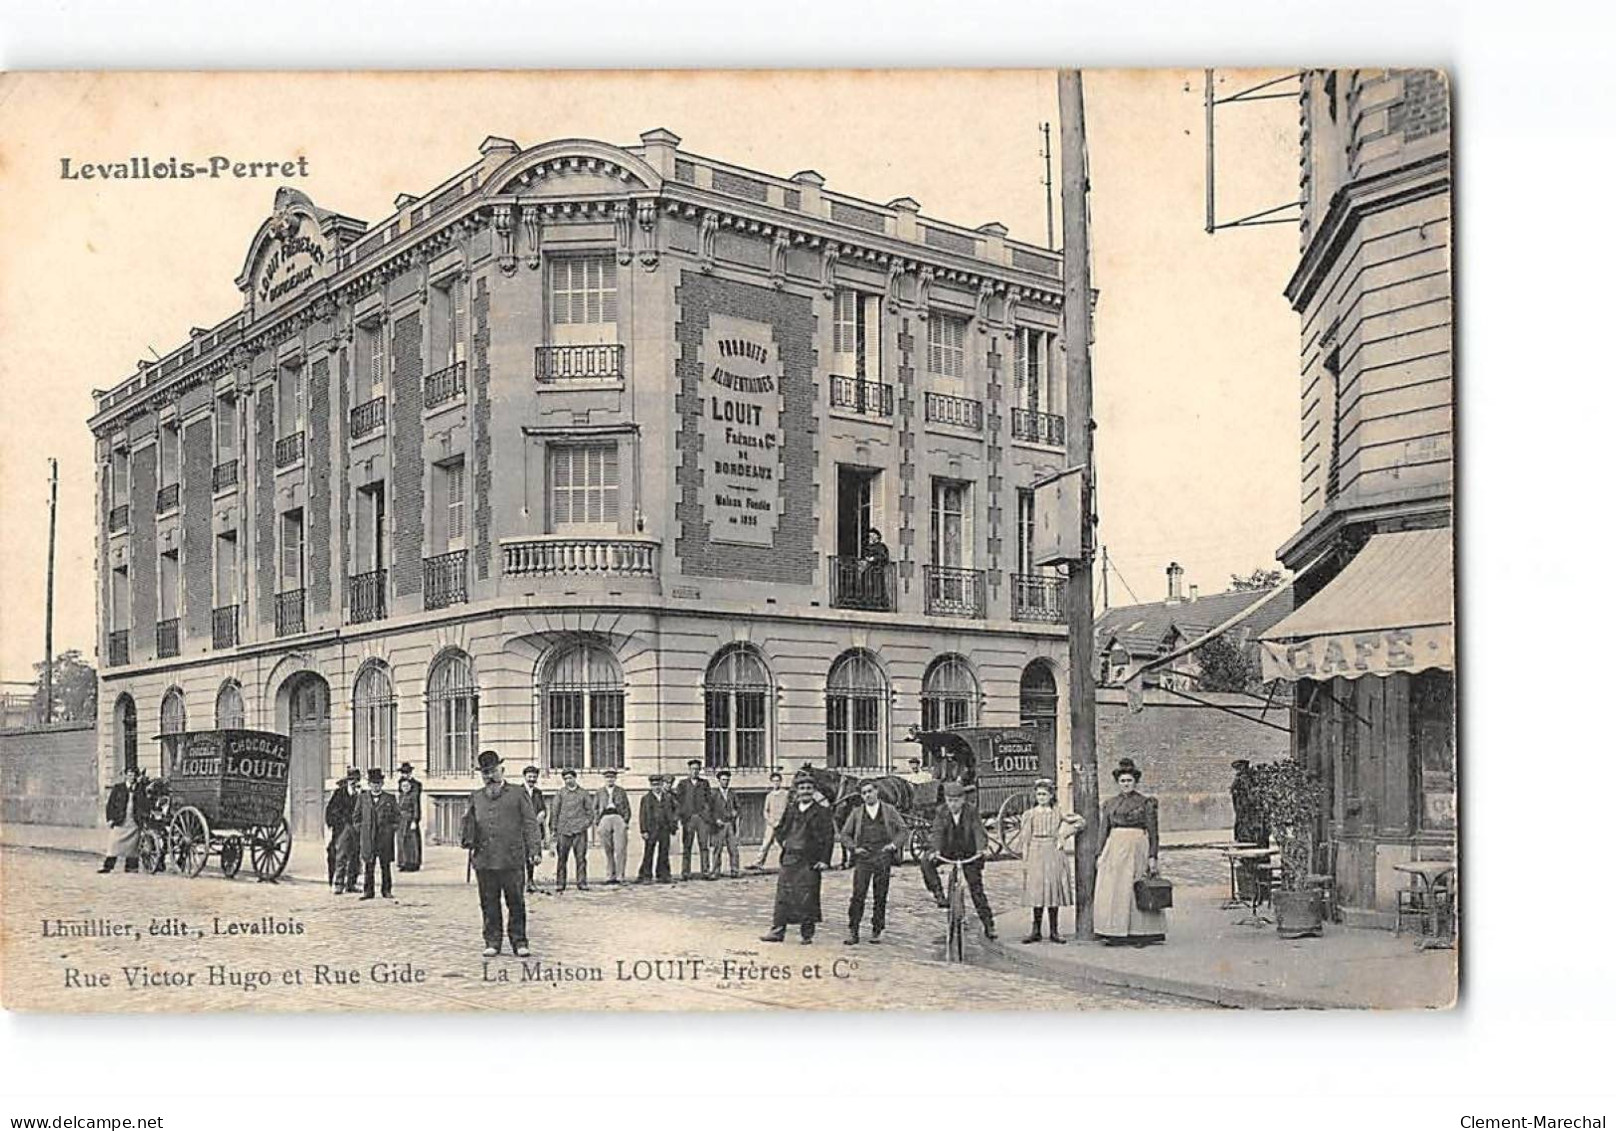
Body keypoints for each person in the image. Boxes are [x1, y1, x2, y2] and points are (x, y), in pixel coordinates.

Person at [461, 750, 540, 958]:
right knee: (488, 902)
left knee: (515, 901)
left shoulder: (518, 793)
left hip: (511, 858)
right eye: (485, 773)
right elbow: (468, 824)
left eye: (493, 771)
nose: (489, 776)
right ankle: (492, 941)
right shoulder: (476, 797)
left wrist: (534, 850)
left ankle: (519, 941)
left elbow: (530, 823)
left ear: (502, 770)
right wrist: (467, 836)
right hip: (484, 859)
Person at [1093, 757, 1166, 946]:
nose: (1126, 784)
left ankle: (1141, 933)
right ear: (1118, 783)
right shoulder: (1110, 804)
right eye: (1122, 781)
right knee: (1115, 889)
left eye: (1129, 781)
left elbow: (1153, 832)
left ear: (1135, 782)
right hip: (1114, 848)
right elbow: (1103, 830)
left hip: (1136, 847)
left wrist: (1152, 857)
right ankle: (1115, 931)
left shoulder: (1145, 803)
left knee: (1135, 887)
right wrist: (1100, 853)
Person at [760, 775, 835, 944]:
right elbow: (780, 829)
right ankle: (778, 931)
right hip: (790, 858)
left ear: (813, 791)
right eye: (802, 788)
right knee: (783, 895)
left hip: (810, 860)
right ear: (797, 791)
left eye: (809, 788)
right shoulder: (792, 809)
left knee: (807, 896)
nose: (805, 792)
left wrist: (824, 860)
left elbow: (829, 837)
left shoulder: (822, 812)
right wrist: (784, 844)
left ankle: (806, 934)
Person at [919, 781, 997, 940]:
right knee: (925, 861)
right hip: (949, 850)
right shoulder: (942, 812)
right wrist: (936, 850)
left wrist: (981, 849)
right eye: (949, 800)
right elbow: (937, 831)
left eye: (956, 800)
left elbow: (978, 831)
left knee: (976, 888)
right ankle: (939, 894)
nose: (952, 804)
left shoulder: (971, 811)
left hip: (969, 852)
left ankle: (989, 924)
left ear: (963, 799)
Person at [837, 778, 906, 945]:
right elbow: (844, 834)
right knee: (858, 894)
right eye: (864, 793)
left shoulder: (889, 810)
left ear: (877, 791)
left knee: (880, 894)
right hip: (864, 857)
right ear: (861, 796)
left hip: (882, 856)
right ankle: (853, 930)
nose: (867, 795)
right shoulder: (857, 813)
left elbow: (903, 830)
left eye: (870, 791)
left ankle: (877, 930)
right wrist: (854, 848)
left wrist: (893, 845)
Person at [1018, 778, 1085, 944]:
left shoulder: (1058, 812)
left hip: (1053, 851)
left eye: (1044, 794)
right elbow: (1025, 839)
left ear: (1051, 795)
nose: (1041, 797)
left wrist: (1064, 835)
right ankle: (1036, 930)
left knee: (1053, 889)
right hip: (1035, 850)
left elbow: (1080, 822)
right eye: (1039, 794)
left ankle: (1055, 931)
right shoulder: (1029, 814)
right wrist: (1025, 860)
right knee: (1038, 890)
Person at [354, 768, 400, 900]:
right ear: (369, 784)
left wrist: (391, 829)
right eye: (373, 783)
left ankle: (386, 891)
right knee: (369, 865)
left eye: (378, 783)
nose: (376, 786)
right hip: (368, 837)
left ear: (382, 784)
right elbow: (356, 817)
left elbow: (397, 817)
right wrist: (362, 830)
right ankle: (368, 891)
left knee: (385, 866)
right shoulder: (362, 798)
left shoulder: (389, 798)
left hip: (384, 838)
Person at [551, 767, 596, 892]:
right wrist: (554, 829)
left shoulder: (583, 793)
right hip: (563, 830)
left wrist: (584, 825)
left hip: (579, 831)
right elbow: (555, 811)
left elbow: (591, 813)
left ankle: (582, 882)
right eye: (565, 778)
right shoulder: (560, 793)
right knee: (562, 858)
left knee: (581, 858)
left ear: (575, 778)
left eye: (570, 778)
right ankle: (560, 883)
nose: (568, 780)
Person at [98, 766, 145, 874]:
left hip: (134, 821)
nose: (131, 777)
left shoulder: (140, 789)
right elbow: (110, 804)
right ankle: (108, 866)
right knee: (114, 844)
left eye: (133, 775)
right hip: (120, 820)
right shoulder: (118, 788)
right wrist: (110, 819)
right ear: (125, 776)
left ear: (136, 776)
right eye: (129, 775)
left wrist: (143, 816)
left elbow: (144, 804)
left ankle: (131, 867)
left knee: (133, 847)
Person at [673, 759, 714, 881]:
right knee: (687, 846)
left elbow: (709, 800)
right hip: (688, 818)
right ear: (689, 770)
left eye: (697, 769)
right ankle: (686, 872)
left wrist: (706, 814)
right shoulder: (683, 784)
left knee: (704, 845)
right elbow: (678, 801)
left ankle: (705, 871)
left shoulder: (704, 783)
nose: (695, 771)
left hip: (702, 818)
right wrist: (682, 816)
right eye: (693, 769)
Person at [637, 774, 679, 884]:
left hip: (664, 828)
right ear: (651, 786)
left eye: (658, 785)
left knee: (664, 852)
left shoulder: (667, 798)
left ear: (661, 785)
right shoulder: (646, 799)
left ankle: (663, 875)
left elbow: (673, 811)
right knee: (649, 852)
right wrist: (644, 830)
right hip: (651, 829)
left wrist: (673, 825)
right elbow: (642, 816)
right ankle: (646, 875)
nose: (656, 787)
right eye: (654, 785)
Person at [326, 768, 362, 895]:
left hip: (357, 829)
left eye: (356, 779)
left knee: (355, 856)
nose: (353, 782)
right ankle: (338, 884)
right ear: (347, 781)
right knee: (341, 855)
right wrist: (339, 822)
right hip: (343, 828)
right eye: (351, 779)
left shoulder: (361, 794)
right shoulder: (339, 793)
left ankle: (351, 883)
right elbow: (330, 810)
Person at [595, 768, 631, 884]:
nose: (610, 779)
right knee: (607, 848)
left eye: (612, 777)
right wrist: (598, 822)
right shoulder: (600, 792)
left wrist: (625, 821)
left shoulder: (621, 791)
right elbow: (595, 808)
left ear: (615, 779)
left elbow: (626, 807)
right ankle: (610, 875)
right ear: (604, 779)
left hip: (617, 817)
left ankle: (620, 876)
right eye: (607, 777)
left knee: (620, 848)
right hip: (604, 818)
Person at [751, 770, 790, 869]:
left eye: (778, 781)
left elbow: (789, 809)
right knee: (766, 844)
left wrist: (784, 822)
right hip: (772, 824)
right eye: (774, 781)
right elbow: (765, 811)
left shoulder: (786, 794)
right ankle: (758, 863)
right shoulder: (769, 796)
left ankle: (788, 863)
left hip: (784, 824)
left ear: (781, 782)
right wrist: (770, 822)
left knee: (785, 844)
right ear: (771, 782)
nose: (776, 783)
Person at [709, 769, 742, 879]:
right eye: (723, 780)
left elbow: (738, 808)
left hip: (730, 825)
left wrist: (735, 812)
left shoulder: (732, 793)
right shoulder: (714, 794)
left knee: (733, 849)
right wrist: (715, 820)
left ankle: (734, 870)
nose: (725, 782)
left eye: (727, 780)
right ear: (719, 781)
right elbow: (709, 810)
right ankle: (715, 871)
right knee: (717, 849)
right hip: (719, 825)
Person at [518, 766, 547, 893]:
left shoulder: (538, 793)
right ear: (524, 777)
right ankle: (520, 883)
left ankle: (530, 881)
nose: (532, 779)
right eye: (529, 776)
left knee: (533, 856)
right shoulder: (518, 792)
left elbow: (542, 809)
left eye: (534, 777)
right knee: (520, 856)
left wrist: (541, 815)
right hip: (520, 829)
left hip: (534, 830)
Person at [1230, 759, 1268, 847]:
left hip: (1250, 811)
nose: (1239, 770)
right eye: (1237, 769)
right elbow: (1235, 795)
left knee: (1251, 832)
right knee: (1243, 831)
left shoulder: (1249, 779)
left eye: (1240, 768)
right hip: (1242, 811)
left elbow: (1252, 796)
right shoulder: (1239, 779)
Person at [395, 762, 423, 873]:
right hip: (401, 819)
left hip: (410, 817)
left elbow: (416, 803)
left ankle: (413, 863)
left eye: (406, 772)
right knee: (401, 840)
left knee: (412, 841)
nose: (404, 774)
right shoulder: (400, 783)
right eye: (403, 772)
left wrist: (415, 820)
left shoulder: (416, 785)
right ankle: (403, 862)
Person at [859, 528, 891, 607]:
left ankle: (878, 601)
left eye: (873, 535)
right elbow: (865, 555)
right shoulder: (868, 547)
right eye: (870, 536)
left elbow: (884, 556)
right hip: (868, 570)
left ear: (877, 536)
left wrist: (874, 558)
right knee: (868, 585)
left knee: (878, 586)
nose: (871, 537)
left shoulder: (881, 546)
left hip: (877, 569)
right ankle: (868, 600)